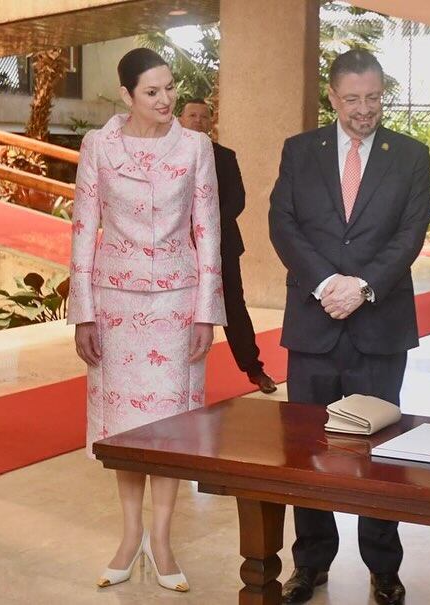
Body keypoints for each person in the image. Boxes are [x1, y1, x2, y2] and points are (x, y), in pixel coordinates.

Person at [269, 49, 430, 605]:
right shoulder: (300, 151)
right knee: (308, 447)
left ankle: (384, 568)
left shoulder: (410, 155)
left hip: (379, 326)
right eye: (354, 99)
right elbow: (283, 224)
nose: (365, 110)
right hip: (314, 325)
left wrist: (361, 288)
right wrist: (324, 286)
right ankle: (311, 564)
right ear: (333, 98)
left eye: (375, 98)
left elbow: (410, 234)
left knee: (379, 452)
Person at [67, 48, 226, 593]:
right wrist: (82, 312)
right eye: (152, 92)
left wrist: (207, 312)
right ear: (128, 95)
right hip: (114, 307)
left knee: (170, 428)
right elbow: (84, 228)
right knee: (124, 429)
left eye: (169, 88)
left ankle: (162, 539)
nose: (166, 100)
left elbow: (208, 230)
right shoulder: (98, 146)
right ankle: (129, 535)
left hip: (177, 306)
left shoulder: (197, 146)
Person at [178, 98, 277, 394]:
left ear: (211, 122)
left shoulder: (225, 156)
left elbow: (237, 200)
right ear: (180, 119)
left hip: (222, 245)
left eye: (203, 116)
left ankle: (254, 369)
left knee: (233, 307)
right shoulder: (167, 156)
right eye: (192, 115)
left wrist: (205, 227)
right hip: (179, 248)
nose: (198, 120)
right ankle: (174, 375)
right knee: (178, 309)